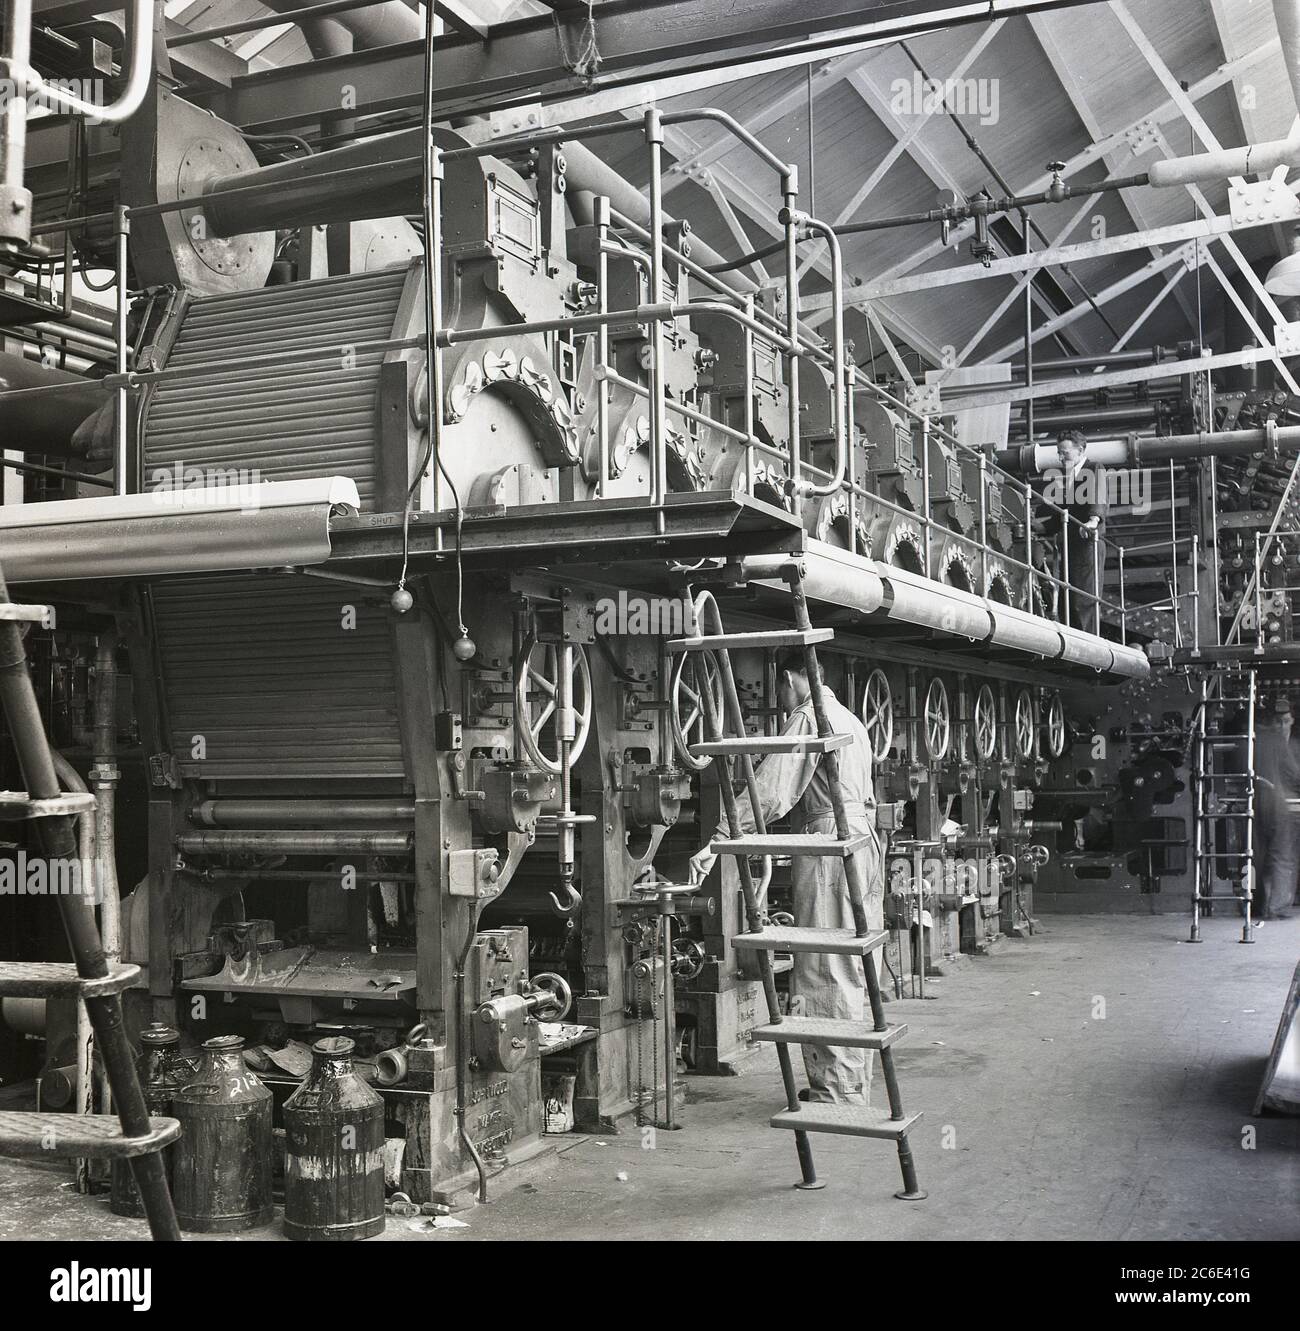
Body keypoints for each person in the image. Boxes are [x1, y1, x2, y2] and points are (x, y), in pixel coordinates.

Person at [688, 649, 884, 1104]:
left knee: (824, 962)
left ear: (793, 679)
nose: (778, 698)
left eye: (779, 687)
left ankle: (837, 1092)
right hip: (861, 839)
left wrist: (719, 838)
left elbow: (773, 789)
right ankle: (853, 1084)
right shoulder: (853, 719)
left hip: (829, 841)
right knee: (853, 961)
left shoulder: (808, 716)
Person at [1256, 698, 1300, 922]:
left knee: (1260, 855)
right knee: (1282, 856)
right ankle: (1277, 906)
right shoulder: (1277, 741)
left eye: (1286, 721)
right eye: (1279, 721)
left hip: (1255, 801)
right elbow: (1294, 774)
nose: (1283, 726)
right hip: (1276, 803)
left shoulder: (1253, 737)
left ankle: (1262, 905)